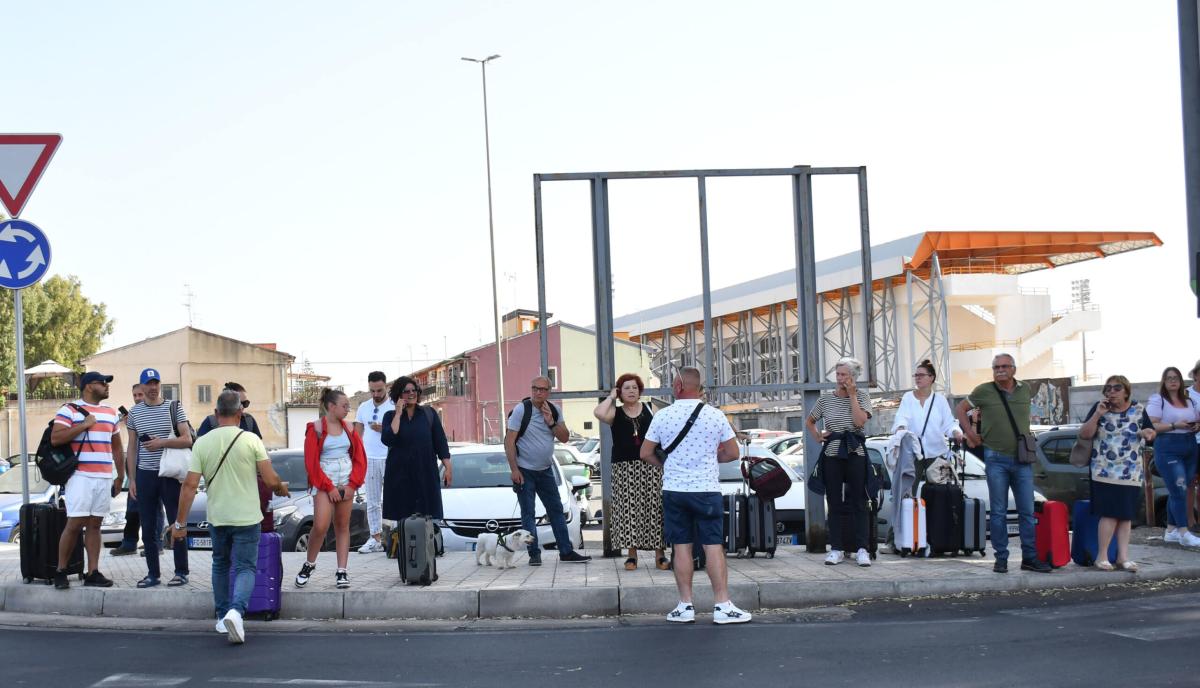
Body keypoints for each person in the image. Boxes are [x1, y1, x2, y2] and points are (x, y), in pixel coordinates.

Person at [172, 390, 289, 644]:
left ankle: (222, 615)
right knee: (245, 567)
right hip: (247, 517)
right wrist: (281, 486)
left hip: (217, 516)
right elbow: (269, 480)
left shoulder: (202, 442)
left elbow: (189, 486)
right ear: (240, 413)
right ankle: (236, 612)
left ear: (215, 414)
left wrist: (180, 524)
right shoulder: (251, 440)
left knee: (220, 565)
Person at [639, 366, 750, 624]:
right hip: (706, 490)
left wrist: (667, 465)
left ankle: (685, 606)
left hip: (675, 490)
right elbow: (733, 453)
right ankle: (722, 605)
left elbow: (645, 452)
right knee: (713, 546)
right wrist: (712, 457)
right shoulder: (715, 416)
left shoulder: (662, 416)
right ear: (698, 388)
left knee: (681, 547)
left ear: (678, 387)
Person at [955, 353, 1051, 574]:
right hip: (995, 457)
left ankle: (1029, 557)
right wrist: (970, 433)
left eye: (1005, 366)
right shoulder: (983, 391)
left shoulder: (1025, 389)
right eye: (996, 367)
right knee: (998, 511)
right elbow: (960, 409)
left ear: (1014, 369)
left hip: (1022, 459)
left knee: (1027, 510)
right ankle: (1001, 559)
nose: (1000, 370)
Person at [504, 376, 592, 566]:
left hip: (545, 470)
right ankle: (534, 553)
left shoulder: (553, 410)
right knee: (528, 512)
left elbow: (565, 437)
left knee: (556, 510)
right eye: (535, 388)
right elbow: (509, 440)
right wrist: (514, 469)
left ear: (548, 392)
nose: (538, 392)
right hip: (524, 470)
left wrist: (550, 421)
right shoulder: (521, 410)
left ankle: (566, 552)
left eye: (542, 389)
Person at [50, 372, 124, 589]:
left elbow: (117, 447)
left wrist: (120, 476)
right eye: (103, 383)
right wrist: (84, 425)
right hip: (80, 476)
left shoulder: (111, 413)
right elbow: (56, 438)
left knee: (95, 524)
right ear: (89, 386)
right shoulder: (69, 409)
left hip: (103, 476)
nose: (107, 386)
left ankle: (93, 572)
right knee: (74, 523)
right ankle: (61, 571)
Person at [1078, 375, 1156, 570]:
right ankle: (1101, 556)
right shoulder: (1099, 407)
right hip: (1104, 470)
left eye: (1116, 388)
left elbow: (1150, 432)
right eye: (1108, 388)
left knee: (1126, 515)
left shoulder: (1138, 409)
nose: (1111, 392)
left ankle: (1123, 557)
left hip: (1130, 471)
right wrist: (1097, 414)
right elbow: (1084, 434)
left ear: (1126, 391)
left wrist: (1148, 433)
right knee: (1110, 514)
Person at [125, 368, 193, 587]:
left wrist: (161, 442)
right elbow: (132, 447)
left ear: (160, 385)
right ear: (141, 387)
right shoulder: (135, 413)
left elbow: (187, 439)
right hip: (145, 474)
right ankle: (153, 574)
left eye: (156, 383)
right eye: (148, 384)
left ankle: (181, 571)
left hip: (170, 473)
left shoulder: (174, 407)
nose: (153, 388)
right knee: (148, 524)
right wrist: (132, 479)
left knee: (176, 521)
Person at [593, 373, 667, 571]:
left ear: (640, 390)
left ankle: (660, 554)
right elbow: (599, 413)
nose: (631, 391)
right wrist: (610, 397)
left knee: (654, 509)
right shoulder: (614, 413)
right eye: (626, 388)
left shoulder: (652, 409)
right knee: (628, 511)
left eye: (634, 387)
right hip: (623, 468)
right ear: (620, 392)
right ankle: (631, 555)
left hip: (651, 465)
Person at [885, 359, 961, 551]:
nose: (917, 379)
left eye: (921, 375)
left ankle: (939, 536)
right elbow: (901, 418)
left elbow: (948, 423)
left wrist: (957, 433)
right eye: (916, 375)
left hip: (937, 454)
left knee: (945, 494)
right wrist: (901, 428)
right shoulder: (908, 399)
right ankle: (896, 540)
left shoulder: (940, 400)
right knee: (904, 495)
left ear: (931, 378)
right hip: (913, 454)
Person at [295, 388, 367, 589]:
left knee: (342, 526)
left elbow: (360, 458)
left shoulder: (350, 428)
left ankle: (342, 571)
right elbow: (311, 463)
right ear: (331, 406)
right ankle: (309, 564)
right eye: (344, 406)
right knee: (320, 526)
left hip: (346, 478)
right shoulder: (315, 428)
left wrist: (353, 484)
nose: (347, 409)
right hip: (324, 480)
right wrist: (328, 487)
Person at [806, 356, 874, 567]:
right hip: (833, 453)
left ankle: (862, 548)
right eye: (838, 374)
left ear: (853, 377)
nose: (840, 378)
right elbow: (810, 420)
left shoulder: (862, 397)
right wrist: (817, 436)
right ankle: (836, 548)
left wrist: (852, 396)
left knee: (859, 501)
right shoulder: (825, 399)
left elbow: (859, 421)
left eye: (844, 374)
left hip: (855, 451)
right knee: (834, 501)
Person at [381, 377, 451, 532]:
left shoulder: (429, 414)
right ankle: (406, 551)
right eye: (406, 391)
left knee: (427, 515)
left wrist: (447, 467)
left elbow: (440, 441)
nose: (411, 394)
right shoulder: (389, 416)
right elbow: (388, 438)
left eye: (414, 390)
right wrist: (398, 413)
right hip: (400, 475)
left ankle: (427, 549)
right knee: (403, 516)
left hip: (424, 472)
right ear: (398, 395)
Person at [1147, 366, 1200, 547]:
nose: (1172, 381)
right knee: (1180, 488)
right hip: (1168, 447)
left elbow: (1197, 419)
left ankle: (1170, 530)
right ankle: (1184, 532)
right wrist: (1174, 425)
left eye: (1176, 377)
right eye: (1169, 378)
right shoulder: (1158, 400)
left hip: (1190, 445)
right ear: (1163, 381)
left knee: (1180, 488)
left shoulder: (1189, 400)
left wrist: (1196, 426)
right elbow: (1152, 425)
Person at [353, 371, 395, 553]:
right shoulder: (363, 407)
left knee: (394, 499)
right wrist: (355, 458)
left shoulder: (394, 406)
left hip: (391, 458)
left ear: (386, 386)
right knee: (372, 501)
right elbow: (357, 434)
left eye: (379, 390)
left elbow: (401, 432)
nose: (376, 394)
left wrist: (384, 429)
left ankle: (395, 538)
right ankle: (375, 538)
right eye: (373, 391)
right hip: (369, 459)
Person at [112, 383, 155, 556]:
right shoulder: (132, 415)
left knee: (153, 508)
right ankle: (129, 543)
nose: (137, 398)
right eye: (135, 395)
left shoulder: (153, 412)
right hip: (134, 467)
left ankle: (154, 543)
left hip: (151, 467)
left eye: (140, 395)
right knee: (132, 507)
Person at [196, 382, 262, 438]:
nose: (242, 407)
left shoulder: (249, 420)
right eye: (239, 403)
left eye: (245, 403)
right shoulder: (211, 421)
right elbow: (200, 445)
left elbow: (258, 445)